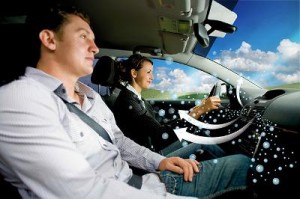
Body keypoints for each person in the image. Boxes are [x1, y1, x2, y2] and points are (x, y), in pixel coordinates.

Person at [0, 3, 252, 199]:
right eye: (83, 37)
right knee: (241, 165)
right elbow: (83, 191)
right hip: (138, 190)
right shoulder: (21, 98)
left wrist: (159, 161)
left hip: (143, 182)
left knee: (234, 160)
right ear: (50, 39)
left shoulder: (91, 96)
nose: (95, 48)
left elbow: (119, 142)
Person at [113, 54, 225, 159]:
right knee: (202, 142)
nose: (152, 77)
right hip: (151, 156)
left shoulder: (137, 98)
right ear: (134, 73)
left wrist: (196, 110)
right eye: (148, 72)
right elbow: (160, 135)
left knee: (196, 133)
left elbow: (158, 123)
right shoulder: (127, 102)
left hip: (153, 148)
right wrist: (200, 110)